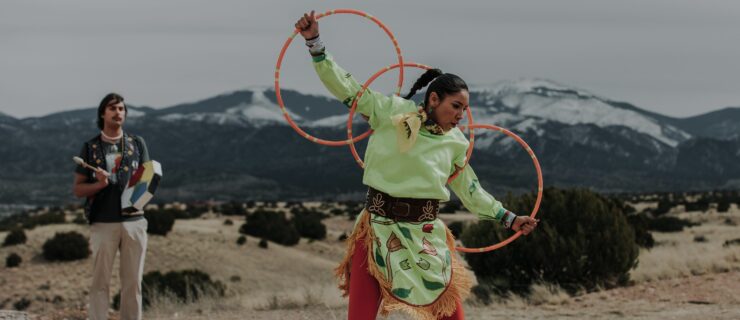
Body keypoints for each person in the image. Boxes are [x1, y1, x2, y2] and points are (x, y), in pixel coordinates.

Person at [295, 11, 539, 320]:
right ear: (434, 99)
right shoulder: (390, 111)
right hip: (375, 229)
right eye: (456, 106)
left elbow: (471, 190)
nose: (461, 115)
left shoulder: (456, 143)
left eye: (465, 109)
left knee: (450, 315)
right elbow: (348, 88)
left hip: (425, 237)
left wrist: (509, 218)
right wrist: (315, 43)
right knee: (360, 315)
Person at [73, 93, 151, 320]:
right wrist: (98, 184)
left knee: (133, 283)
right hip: (103, 223)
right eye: (113, 108)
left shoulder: (137, 144)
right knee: (100, 283)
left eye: (121, 109)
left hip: (135, 223)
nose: (118, 112)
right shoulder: (90, 148)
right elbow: (78, 190)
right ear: (102, 113)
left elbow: (148, 180)